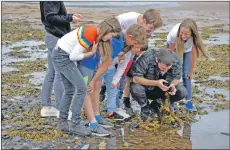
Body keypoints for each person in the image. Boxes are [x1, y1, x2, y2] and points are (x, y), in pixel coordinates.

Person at [52, 17, 121, 136]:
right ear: (106, 31)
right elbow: (73, 56)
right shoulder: (90, 34)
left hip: (58, 53)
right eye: (111, 35)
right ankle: (75, 124)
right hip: (62, 57)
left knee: (69, 90)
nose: (110, 39)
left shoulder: (94, 32)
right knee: (82, 88)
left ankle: (63, 123)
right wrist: (91, 53)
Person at [99, 9, 163, 116]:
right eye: (151, 28)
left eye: (154, 29)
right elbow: (110, 28)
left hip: (128, 51)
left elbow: (139, 45)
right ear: (144, 20)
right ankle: (103, 88)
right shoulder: (128, 19)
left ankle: (119, 104)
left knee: (122, 77)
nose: (151, 31)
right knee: (110, 73)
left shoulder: (137, 42)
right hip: (113, 50)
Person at [82, 24, 146, 130]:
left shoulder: (124, 45)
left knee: (95, 87)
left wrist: (113, 79)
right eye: (136, 44)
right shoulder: (117, 42)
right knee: (86, 89)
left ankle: (96, 116)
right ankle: (86, 121)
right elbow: (106, 61)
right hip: (91, 63)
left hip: (99, 65)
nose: (137, 49)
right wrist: (93, 79)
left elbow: (112, 63)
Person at [40, 1, 82, 118]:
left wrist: (70, 17)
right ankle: (61, 109)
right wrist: (69, 18)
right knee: (59, 73)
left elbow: (52, 15)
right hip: (55, 37)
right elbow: (51, 17)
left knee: (52, 72)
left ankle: (46, 107)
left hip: (52, 35)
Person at [129, 48, 187, 121]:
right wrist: (156, 83)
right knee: (135, 87)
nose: (165, 71)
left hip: (164, 90)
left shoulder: (176, 60)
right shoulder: (147, 57)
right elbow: (136, 78)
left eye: (168, 68)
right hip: (147, 89)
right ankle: (145, 107)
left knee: (182, 91)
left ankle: (156, 104)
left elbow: (177, 78)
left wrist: (172, 85)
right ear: (157, 60)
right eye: (163, 68)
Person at [166, 18, 208, 112]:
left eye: (186, 34)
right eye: (182, 33)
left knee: (186, 75)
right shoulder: (174, 34)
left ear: (192, 33)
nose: (183, 36)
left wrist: (191, 70)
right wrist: (170, 68)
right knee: (172, 74)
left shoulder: (194, 38)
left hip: (187, 50)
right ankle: (171, 101)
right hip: (173, 48)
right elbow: (170, 55)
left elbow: (193, 54)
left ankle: (188, 101)